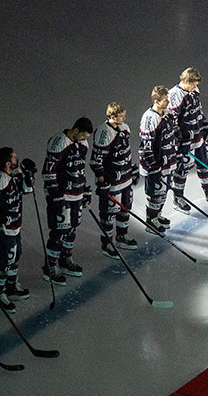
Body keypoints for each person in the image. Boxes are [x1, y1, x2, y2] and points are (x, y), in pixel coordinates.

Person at [0, 147, 36, 311]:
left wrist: (29, 175)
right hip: (4, 229)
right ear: (8, 162)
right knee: (3, 261)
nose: (18, 159)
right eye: (15, 157)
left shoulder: (12, 176)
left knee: (15, 255)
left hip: (14, 227)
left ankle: (11, 286)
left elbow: (27, 190)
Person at [168, 68, 208, 213]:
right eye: (193, 84)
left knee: (204, 165)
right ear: (186, 81)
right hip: (185, 141)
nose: (195, 86)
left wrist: (205, 126)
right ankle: (178, 198)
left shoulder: (194, 91)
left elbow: (198, 111)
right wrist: (179, 141)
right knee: (182, 169)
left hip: (198, 137)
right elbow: (172, 121)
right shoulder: (175, 95)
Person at [43, 118, 95, 283]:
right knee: (60, 230)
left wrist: (85, 190)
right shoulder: (59, 142)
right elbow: (48, 171)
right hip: (62, 195)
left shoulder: (83, 145)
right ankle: (50, 266)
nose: (84, 140)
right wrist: (55, 194)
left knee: (72, 228)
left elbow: (80, 169)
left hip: (76, 194)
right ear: (75, 130)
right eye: (83, 136)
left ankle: (65, 259)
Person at [91, 102, 140, 258]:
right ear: (112, 116)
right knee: (109, 213)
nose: (124, 118)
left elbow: (126, 151)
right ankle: (107, 244)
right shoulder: (104, 133)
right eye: (121, 116)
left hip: (125, 178)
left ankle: (121, 237)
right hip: (112, 182)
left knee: (125, 208)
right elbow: (95, 161)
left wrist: (131, 168)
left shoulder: (125, 128)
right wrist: (102, 181)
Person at [139, 86, 180, 229]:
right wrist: (153, 166)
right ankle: (150, 220)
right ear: (156, 101)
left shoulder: (168, 114)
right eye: (164, 100)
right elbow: (145, 146)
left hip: (168, 161)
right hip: (156, 165)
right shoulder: (149, 118)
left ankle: (157, 214)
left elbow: (174, 132)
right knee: (155, 192)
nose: (168, 101)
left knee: (164, 190)